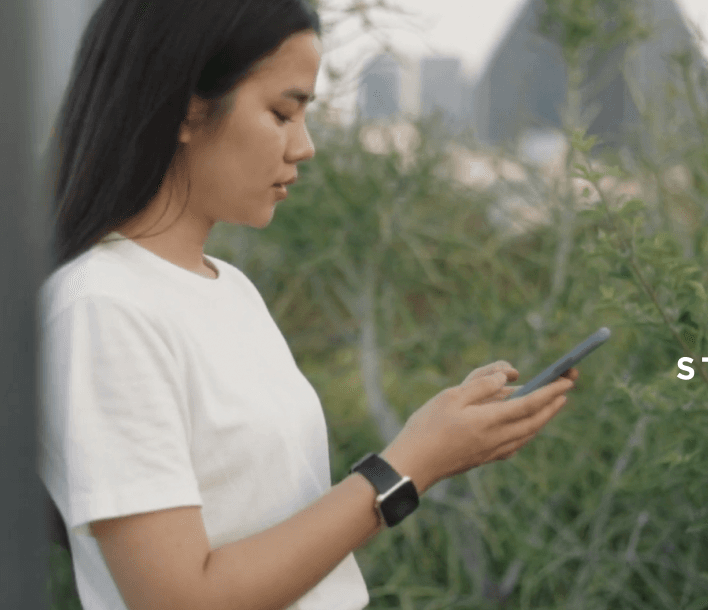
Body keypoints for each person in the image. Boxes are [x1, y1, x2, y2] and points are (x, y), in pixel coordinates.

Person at [36, 1, 579, 609]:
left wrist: (434, 439)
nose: (305, 146)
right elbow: (181, 598)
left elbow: (282, 540)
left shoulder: (228, 289)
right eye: (282, 112)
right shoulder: (101, 309)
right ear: (186, 108)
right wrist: (409, 464)